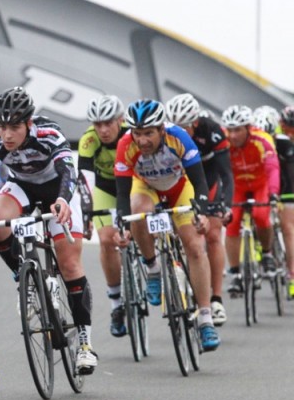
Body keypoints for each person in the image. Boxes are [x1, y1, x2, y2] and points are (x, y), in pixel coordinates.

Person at [0, 87, 99, 374]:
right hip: (23, 187)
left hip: (59, 190)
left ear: (29, 123)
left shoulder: (49, 133)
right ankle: (24, 278)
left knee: (68, 263)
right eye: (3, 126)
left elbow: (69, 171)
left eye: (14, 127)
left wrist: (64, 201)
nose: (7, 135)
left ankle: (84, 342)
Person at [113, 99, 220, 351]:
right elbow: (122, 194)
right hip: (145, 187)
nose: (142, 140)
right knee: (137, 211)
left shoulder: (179, 137)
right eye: (137, 133)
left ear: (162, 129)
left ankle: (205, 318)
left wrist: (202, 213)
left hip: (179, 187)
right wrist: (122, 226)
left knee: (194, 246)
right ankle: (152, 268)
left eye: (148, 133)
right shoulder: (125, 145)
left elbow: (199, 181)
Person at [165, 93, 234, 326]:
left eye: (184, 127)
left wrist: (224, 205)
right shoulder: (167, 135)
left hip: (209, 180)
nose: (179, 132)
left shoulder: (212, 131)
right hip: (182, 181)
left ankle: (215, 299)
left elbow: (226, 173)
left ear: (195, 123)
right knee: (182, 235)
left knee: (213, 234)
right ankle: (180, 276)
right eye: (175, 127)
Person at [78, 94, 129, 337]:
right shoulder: (89, 141)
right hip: (105, 189)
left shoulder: (132, 135)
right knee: (107, 240)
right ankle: (117, 305)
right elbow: (85, 181)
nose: (104, 130)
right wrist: (86, 214)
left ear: (120, 120)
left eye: (108, 123)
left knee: (142, 229)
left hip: (133, 186)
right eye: (98, 124)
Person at [221, 104, 281, 293]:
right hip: (237, 186)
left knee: (261, 215)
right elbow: (217, 171)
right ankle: (236, 274)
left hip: (260, 184)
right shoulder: (223, 141)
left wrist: (273, 193)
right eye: (230, 130)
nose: (233, 135)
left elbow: (272, 168)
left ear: (248, 128)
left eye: (237, 130)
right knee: (232, 222)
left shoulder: (262, 139)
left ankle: (267, 253)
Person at [277, 106, 294, 297]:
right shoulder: (279, 140)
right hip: (286, 189)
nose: (289, 130)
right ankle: (292, 276)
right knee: (289, 231)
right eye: (286, 125)